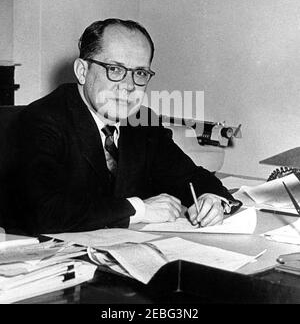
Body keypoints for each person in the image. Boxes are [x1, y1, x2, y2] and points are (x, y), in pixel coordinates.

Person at [16, 18, 241, 235]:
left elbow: (189, 176)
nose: (129, 86)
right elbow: (40, 211)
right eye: (115, 69)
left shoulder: (141, 121)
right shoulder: (42, 120)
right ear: (82, 71)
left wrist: (211, 198)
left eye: (140, 73)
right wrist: (139, 209)